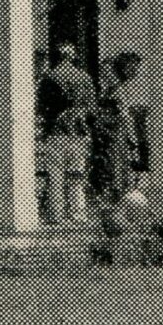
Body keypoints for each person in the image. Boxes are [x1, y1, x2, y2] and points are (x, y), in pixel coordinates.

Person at [36, 42, 96, 225]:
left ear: (57, 57)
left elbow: (40, 106)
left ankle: (56, 215)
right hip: (78, 131)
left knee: (55, 174)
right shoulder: (84, 78)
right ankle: (77, 214)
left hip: (55, 131)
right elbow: (92, 108)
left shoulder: (49, 78)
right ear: (73, 56)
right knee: (76, 174)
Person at [89, 51, 142, 205]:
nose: (135, 72)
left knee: (115, 169)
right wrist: (133, 138)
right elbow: (123, 114)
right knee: (114, 169)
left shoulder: (114, 87)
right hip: (114, 135)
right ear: (125, 68)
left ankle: (112, 198)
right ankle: (113, 199)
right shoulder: (116, 89)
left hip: (113, 135)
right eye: (133, 68)